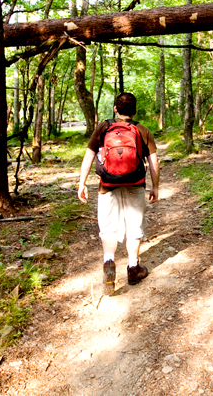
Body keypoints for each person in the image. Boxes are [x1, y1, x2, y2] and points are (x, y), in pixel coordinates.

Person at [78, 92, 159, 295]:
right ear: (135, 111)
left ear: (115, 109)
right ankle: (133, 268)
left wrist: (82, 183)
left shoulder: (104, 128)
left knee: (108, 228)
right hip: (136, 184)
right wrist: (155, 186)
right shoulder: (142, 130)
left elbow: (89, 156)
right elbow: (154, 162)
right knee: (134, 226)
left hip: (108, 185)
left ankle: (109, 264)